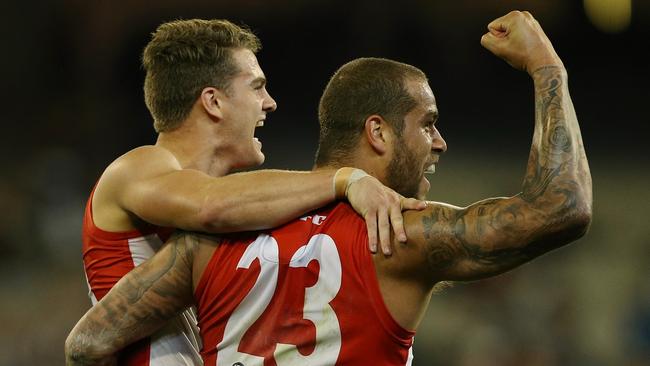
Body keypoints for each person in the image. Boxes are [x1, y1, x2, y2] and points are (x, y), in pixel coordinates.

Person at [66, 11, 592, 365]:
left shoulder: (206, 245)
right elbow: (561, 206)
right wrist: (549, 67)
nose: (440, 142)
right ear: (378, 132)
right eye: (427, 123)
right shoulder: (398, 233)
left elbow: (89, 341)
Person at [80, 18, 424, 366]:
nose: (270, 102)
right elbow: (211, 205)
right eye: (257, 87)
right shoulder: (137, 167)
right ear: (213, 102)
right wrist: (346, 178)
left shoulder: (224, 216)